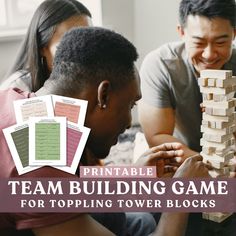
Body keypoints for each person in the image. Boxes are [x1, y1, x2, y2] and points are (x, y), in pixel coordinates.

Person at [0, 27, 209, 236]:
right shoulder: (40, 162)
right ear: (104, 95)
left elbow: (71, 184)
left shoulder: (24, 103)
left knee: (141, 218)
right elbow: (50, 178)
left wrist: (130, 176)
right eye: (130, 105)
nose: (129, 123)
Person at [138, 0, 236, 159]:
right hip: (182, 151)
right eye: (199, 42)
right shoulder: (160, 65)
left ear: (234, 34)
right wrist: (211, 168)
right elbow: (157, 136)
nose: (209, 54)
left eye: (220, 42)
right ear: (181, 32)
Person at [0, 0, 93, 92]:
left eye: (88, 41)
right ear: (42, 47)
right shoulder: (16, 90)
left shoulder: (97, 79)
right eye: (69, 44)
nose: (82, 52)